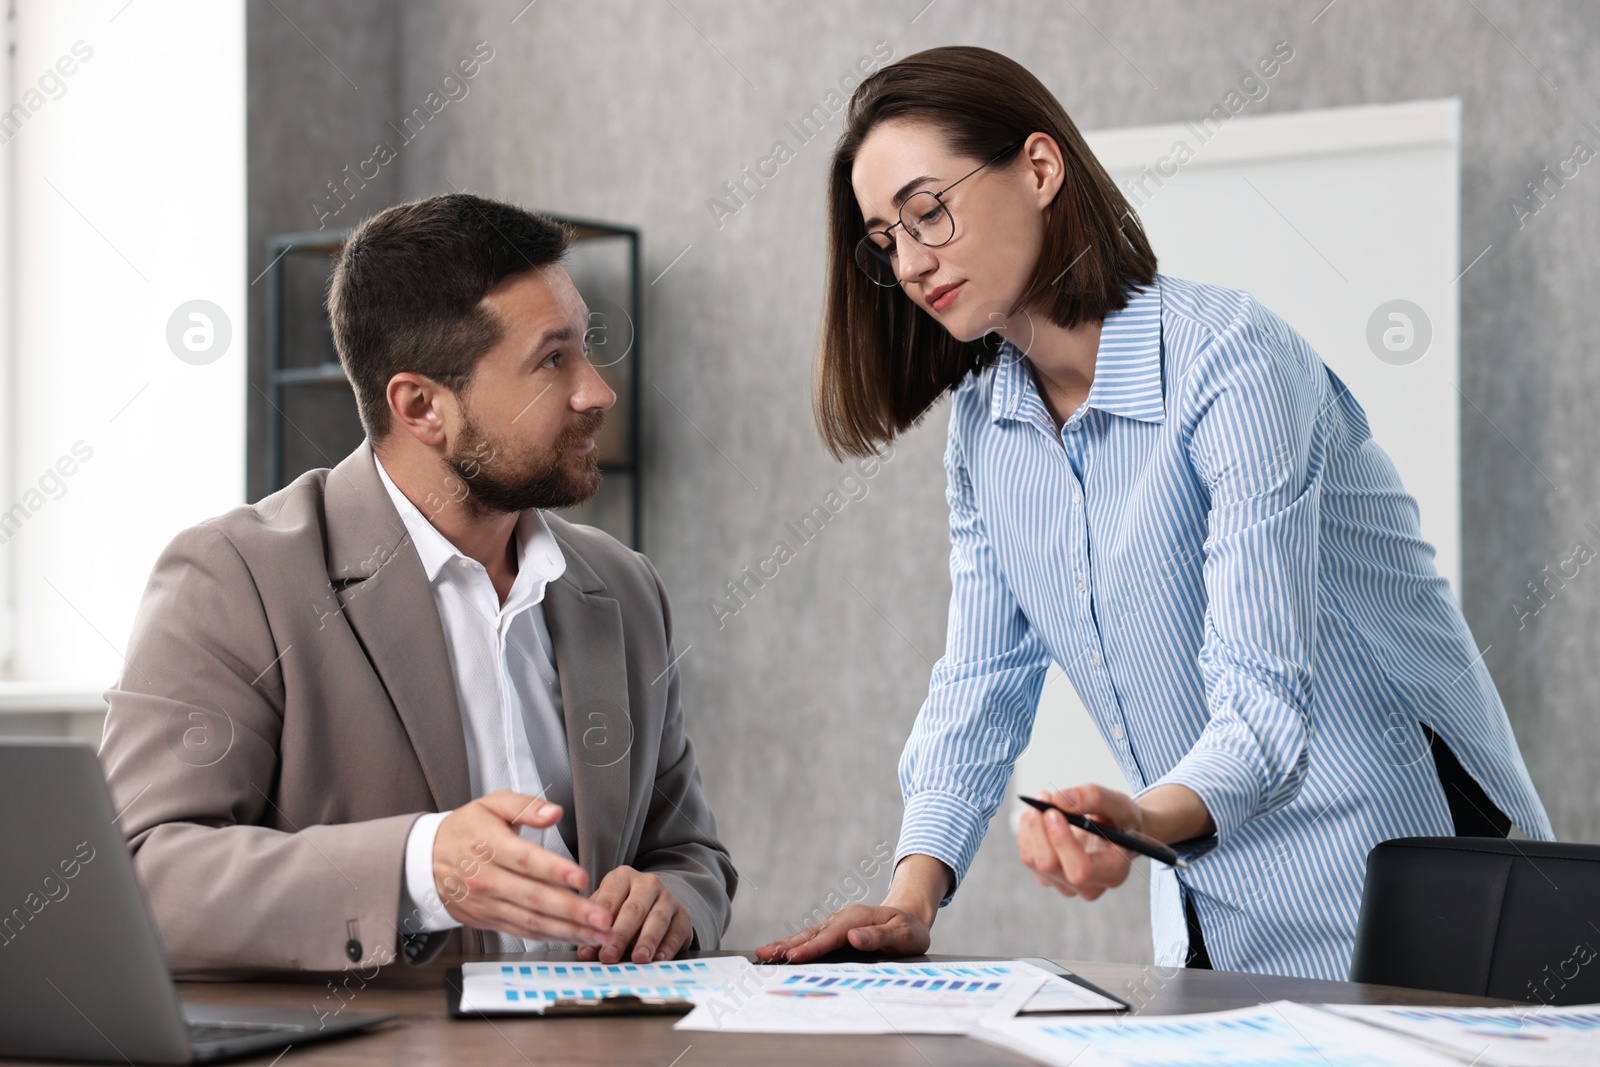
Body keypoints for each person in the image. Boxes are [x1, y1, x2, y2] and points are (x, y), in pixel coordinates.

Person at [756, 45, 1552, 980]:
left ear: (1040, 169)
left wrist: (1134, 819)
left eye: (929, 210)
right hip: (1216, 903)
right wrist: (910, 897)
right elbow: (981, 681)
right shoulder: (985, 427)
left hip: (1415, 881)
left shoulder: (1230, 361)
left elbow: (1261, 703)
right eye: (886, 239)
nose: (914, 260)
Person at [99, 194, 735, 974]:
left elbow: (690, 851)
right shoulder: (233, 579)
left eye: (586, 350)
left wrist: (673, 899)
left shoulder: (625, 587)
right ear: (421, 406)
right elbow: (140, 877)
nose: (596, 391)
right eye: (552, 359)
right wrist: (415, 868)